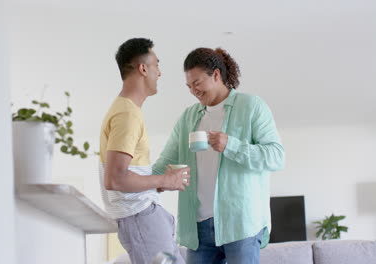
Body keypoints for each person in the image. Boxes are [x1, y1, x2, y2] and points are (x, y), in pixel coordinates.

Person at [152, 47, 285, 264]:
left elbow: (276, 156)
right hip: (198, 228)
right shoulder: (188, 117)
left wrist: (231, 145)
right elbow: (164, 163)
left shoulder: (251, 106)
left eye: (197, 83)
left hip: (241, 225)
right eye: (188, 86)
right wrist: (139, 181)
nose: (193, 91)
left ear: (216, 75)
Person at [99, 38, 190, 264]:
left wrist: (159, 182)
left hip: (144, 217)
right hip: (141, 218)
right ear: (143, 68)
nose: (159, 73)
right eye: (156, 65)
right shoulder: (127, 114)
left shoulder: (126, 111)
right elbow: (115, 178)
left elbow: (122, 175)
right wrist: (165, 180)